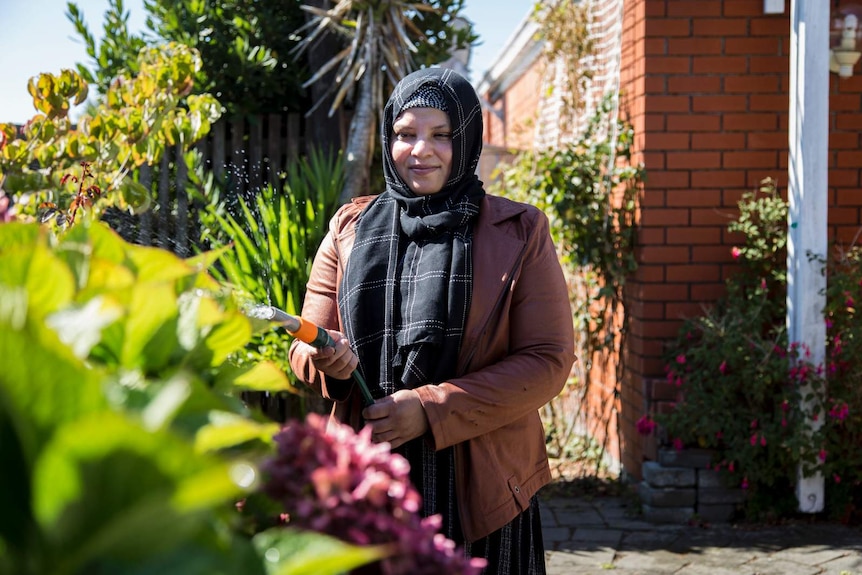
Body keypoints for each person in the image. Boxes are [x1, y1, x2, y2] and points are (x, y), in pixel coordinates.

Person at [288, 67, 576, 574]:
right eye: (405, 134)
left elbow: (547, 361)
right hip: (370, 483)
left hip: (480, 492)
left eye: (442, 135)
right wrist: (324, 358)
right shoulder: (348, 229)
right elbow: (304, 347)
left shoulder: (521, 231)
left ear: (466, 139)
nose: (421, 150)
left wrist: (430, 409)